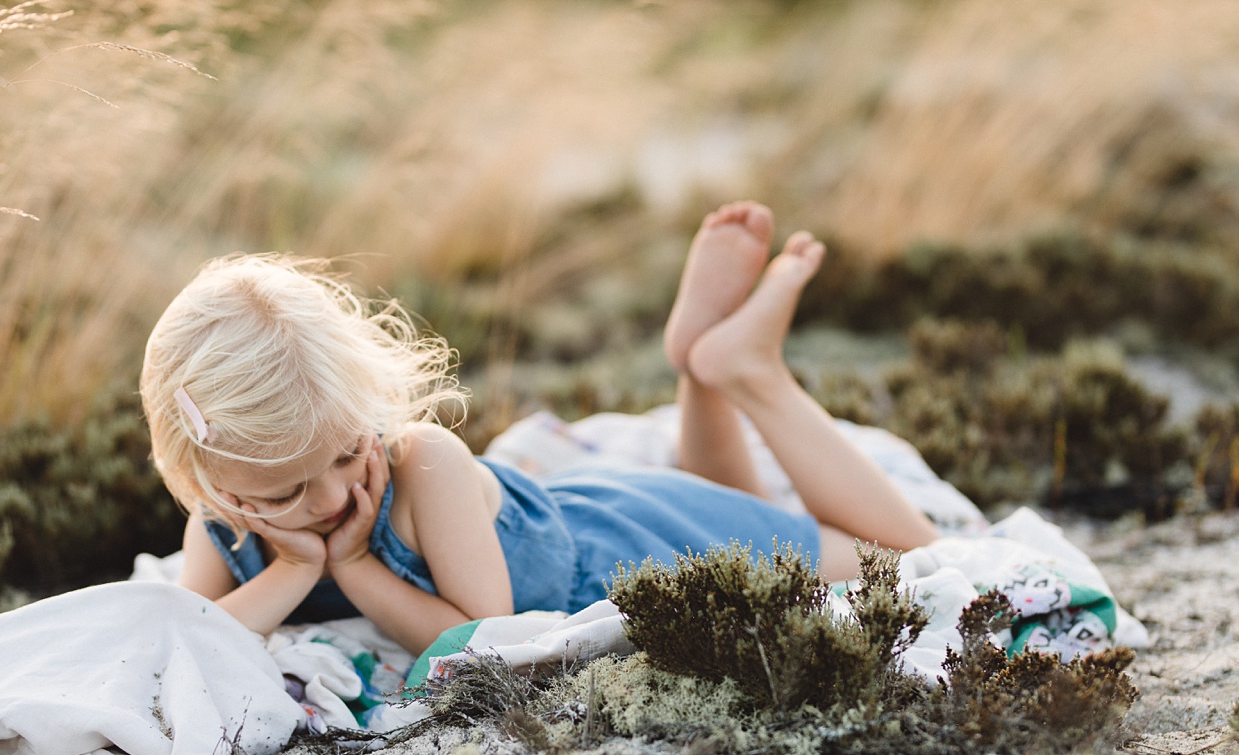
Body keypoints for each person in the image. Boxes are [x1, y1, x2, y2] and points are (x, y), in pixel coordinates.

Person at [139, 202, 940, 655]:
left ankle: (749, 373)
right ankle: (706, 366)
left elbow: (485, 634)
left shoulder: (425, 466)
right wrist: (289, 572)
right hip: (627, 525)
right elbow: (197, 638)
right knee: (741, 503)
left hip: (626, 547)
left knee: (903, 554)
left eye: (349, 451)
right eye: (285, 489)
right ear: (211, 482)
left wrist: (350, 566)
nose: (332, 495)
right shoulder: (225, 518)